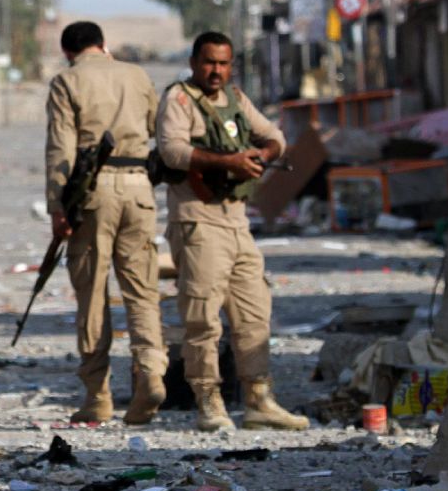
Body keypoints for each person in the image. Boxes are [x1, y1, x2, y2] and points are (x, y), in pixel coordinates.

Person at [156, 31, 309, 432]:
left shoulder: (237, 100)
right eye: (209, 63)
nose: (216, 71)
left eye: (223, 64)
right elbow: (171, 150)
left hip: (236, 220)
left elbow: (275, 137)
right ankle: (209, 400)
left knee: (254, 311)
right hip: (198, 219)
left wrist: (259, 155)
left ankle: (259, 399)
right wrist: (227, 162)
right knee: (203, 315)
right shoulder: (180, 100)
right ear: (194, 63)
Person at [45, 21, 167, 425]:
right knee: (142, 290)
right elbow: (155, 129)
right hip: (138, 187)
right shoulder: (137, 74)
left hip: (93, 193)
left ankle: (98, 395)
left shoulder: (67, 81)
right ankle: (151, 372)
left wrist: (58, 209)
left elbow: (61, 150)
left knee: (93, 293)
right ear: (104, 45)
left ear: (69, 52)